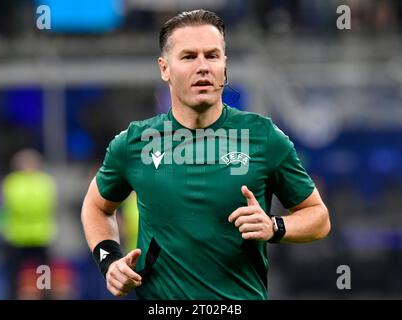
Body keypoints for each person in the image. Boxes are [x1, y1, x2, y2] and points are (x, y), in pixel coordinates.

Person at [81, 9, 331, 300]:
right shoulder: (134, 143)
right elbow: (96, 207)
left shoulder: (262, 137)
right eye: (189, 57)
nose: (203, 67)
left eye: (212, 56)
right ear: (164, 68)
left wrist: (274, 225)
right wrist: (109, 261)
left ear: (224, 65)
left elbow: (318, 217)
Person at [2, 149, 57, 299]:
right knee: (16, 273)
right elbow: (14, 204)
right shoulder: (13, 181)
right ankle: (15, 295)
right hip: (18, 236)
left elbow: (45, 204)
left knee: (42, 271)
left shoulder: (43, 181)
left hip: (40, 235)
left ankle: (44, 295)